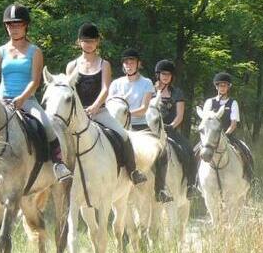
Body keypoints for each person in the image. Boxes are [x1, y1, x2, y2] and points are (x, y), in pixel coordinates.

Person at [0, 4, 72, 182]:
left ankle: (58, 163)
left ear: (26, 26)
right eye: (10, 25)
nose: (14, 29)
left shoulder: (35, 51)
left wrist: (21, 99)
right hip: (2, 100)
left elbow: (35, 81)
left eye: (18, 25)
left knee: (46, 125)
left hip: (27, 100)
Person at [65, 23, 146, 185]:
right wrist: (81, 110)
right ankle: (59, 171)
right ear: (79, 42)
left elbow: (105, 89)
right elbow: (69, 92)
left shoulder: (104, 64)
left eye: (92, 41)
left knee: (123, 135)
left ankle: (132, 171)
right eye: (85, 41)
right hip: (78, 114)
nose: (89, 44)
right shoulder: (71, 66)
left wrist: (95, 107)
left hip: (100, 111)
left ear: (97, 42)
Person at [152, 59, 196, 201]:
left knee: (189, 149)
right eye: (163, 74)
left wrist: (170, 126)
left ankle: (190, 185)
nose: (165, 76)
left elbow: (180, 115)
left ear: (172, 77)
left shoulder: (177, 93)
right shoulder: (150, 91)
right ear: (158, 75)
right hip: (150, 130)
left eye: (168, 74)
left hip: (170, 130)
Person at [202, 71, 254, 181]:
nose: (222, 88)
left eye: (225, 85)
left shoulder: (233, 103)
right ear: (216, 87)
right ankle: (195, 180)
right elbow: (205, 121)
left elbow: (233, 123)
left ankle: (249, 178)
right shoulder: (209, 102)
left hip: (227, 136)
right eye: (220, 85)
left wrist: (225, 135)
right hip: (210, 137)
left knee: (245, 151)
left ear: (228, 87)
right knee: (196, 152)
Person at [108, 48, 155, 131]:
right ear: (123, 64)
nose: (129, 65)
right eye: (126, 63)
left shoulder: (147, 83)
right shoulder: (115, 83)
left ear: (138, 64)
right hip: (118, 125)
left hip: (139, 125)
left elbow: (144, 109)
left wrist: (126, 114)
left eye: (132, 63)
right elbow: (109, 105)